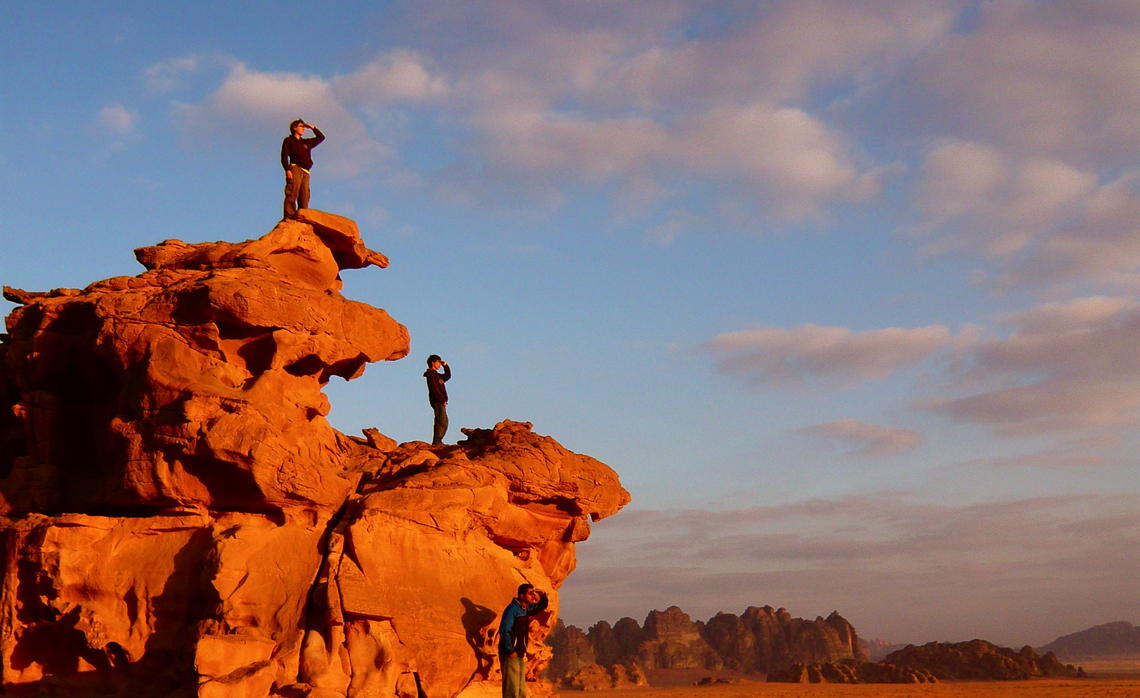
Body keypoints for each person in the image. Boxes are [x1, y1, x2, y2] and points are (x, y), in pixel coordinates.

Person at [498, 584, 548, 698]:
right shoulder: (512, 609)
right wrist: (510, 650)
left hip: (520, 653)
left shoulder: (525, 609)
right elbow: (504, 630)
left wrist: (542, 595)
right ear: (521, 595)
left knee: (521, 690)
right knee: (512, 690)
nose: (532, 595)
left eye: (533, 593)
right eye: (530, 593)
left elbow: (541, 606)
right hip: (510, 654)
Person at [281, 119, 325, 220]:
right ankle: (289, 216)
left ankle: (302, 216)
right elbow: (284, 156)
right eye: (301, 126)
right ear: (294, 128)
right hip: (295, 167)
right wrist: (287, 169)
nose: (303, 129)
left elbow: (321, 137)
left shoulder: (306, 142)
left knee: (305, 196)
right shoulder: (289, 140)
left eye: (304, 127)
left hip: (306, 170)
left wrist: (312, 127)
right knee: (292, 192)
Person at [424, 354, 451, 445]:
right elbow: (434, 388)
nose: (439, 364)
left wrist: (445, 365)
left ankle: (438, 440)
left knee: (444, 420)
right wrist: (442, 400)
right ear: (433, 363)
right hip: (437, 401)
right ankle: (437, 441)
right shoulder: (431, 374)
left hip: (440, 401)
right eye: (438, 362)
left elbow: (447, 376)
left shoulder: (437, 375)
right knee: (441, 420)